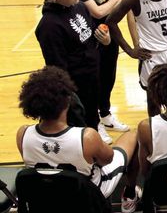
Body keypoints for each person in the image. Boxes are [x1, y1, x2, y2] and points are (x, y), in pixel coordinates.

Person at [16, 66, 141, 213]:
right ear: (68, 100)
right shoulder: (87, 137)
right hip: (89, 196)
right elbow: (107, 159)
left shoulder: (22, 134)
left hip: (45, 197)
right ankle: (130, 195)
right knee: (133, 135)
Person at [35, 0, 110, 133]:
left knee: (92, 115)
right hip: (75, 87)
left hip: (91, 76)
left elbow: (89, 39)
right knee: (79, 126)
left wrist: (104, 40)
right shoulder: (49, 26)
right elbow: (57, 68)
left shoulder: (80, 7)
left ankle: (95, 127)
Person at [73, 0, 129, 143]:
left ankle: (105, 114)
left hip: (110, 31)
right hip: (91, 37)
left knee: (109, 76)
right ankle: (94, 122)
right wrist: (113, 1)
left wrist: (113, 2)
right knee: (93, 81)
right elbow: (95, 12)